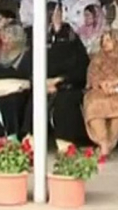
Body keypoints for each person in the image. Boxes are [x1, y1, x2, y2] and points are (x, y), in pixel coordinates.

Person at [22, 18, 90, 152]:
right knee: (36, 99)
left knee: (64, 102)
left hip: (69, 86)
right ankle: (31, 140)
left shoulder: (75, 48)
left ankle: (64, 144)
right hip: (45, 84)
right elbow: (31, 68)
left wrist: (59, 81)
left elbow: (80, 71)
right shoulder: (43, 48)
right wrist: (43, 83)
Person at [0, 24, 32, 140]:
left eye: (9, 38)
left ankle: (12, 135)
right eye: (4, 37)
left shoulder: (27, 54)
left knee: (11, 99)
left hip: (20, 89)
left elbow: (29, 77)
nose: (6, 41)